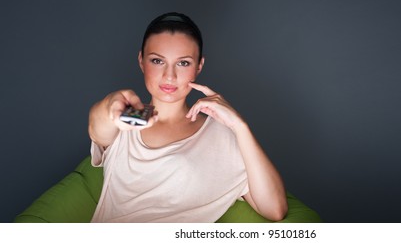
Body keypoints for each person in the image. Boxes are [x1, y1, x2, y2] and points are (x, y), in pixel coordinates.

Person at [88, 12, 288, 222]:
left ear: (199, 66)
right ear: (141, 61)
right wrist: (110, 106)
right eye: (157, 60)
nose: (169, 76)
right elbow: (97, 126)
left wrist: (240, 126)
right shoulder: (123, 120)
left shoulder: (221, 135)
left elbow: (274, 209)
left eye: (183, 63)